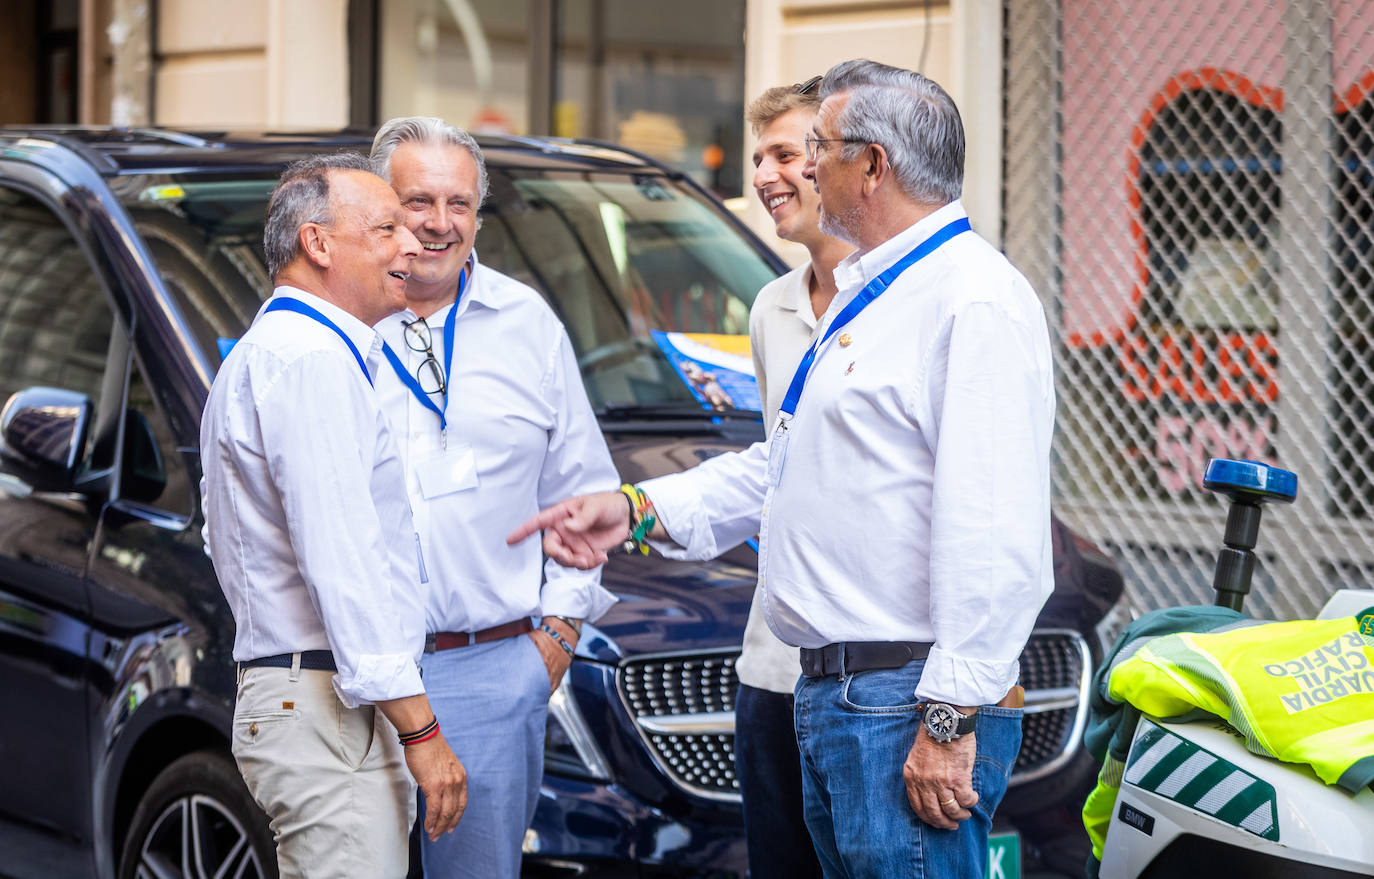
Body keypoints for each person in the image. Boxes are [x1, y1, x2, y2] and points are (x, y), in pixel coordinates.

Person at [508, 58, 1055, 879]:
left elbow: (993, 526)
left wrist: (948, 720)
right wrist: (634, 509)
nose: (800, 166)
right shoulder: (879, 290)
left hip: (900, 700)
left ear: (872, 166)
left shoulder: (969, 298)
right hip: (841, 696)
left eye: (819, 146)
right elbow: (790, 466)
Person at [201, 153, 467, 878]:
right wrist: (423, 729)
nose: (411, 243)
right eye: (386, 227)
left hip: (321, 696)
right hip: (325, 701)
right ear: (318, 244)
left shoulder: (284, 352)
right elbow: (342, 560)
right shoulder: (310, 358)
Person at [367, 117, 619, 879]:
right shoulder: (339, 325)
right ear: (381, 205)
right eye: (418, 202)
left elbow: (585, 494)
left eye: (461, 205)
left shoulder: (528, 324)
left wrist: (556, 637)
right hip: (349, 676)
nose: (440, 224)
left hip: (484, 669)